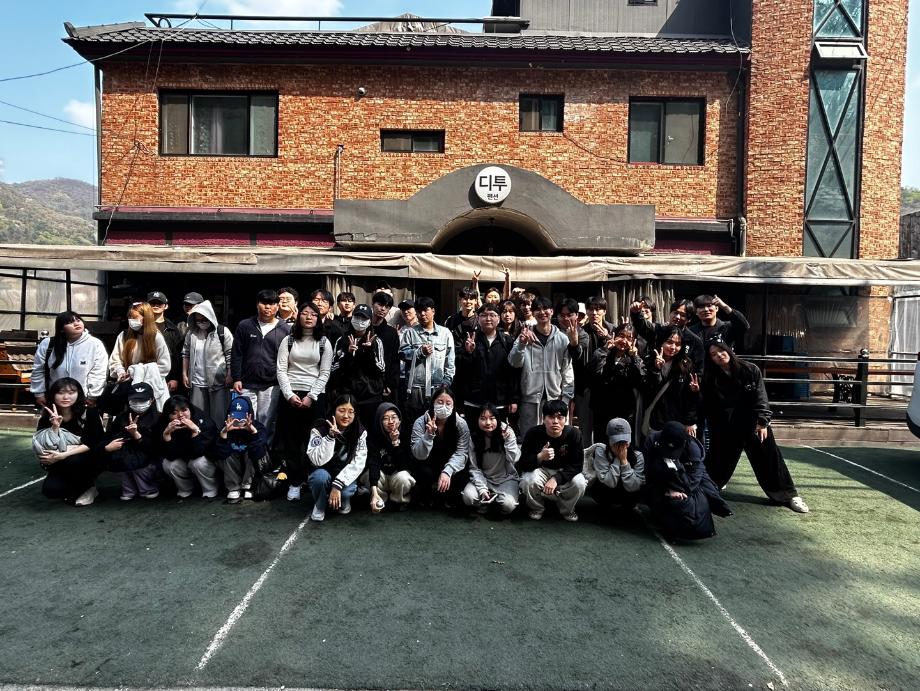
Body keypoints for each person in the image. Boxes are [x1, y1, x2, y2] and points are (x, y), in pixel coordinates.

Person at [701, 337, 810, 513]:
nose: (719, 355)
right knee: (717, 461)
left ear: (729, 350)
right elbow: (708, 404)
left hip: (753, 423)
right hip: (726, 425)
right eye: (714, 354)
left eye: (721, 350)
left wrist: (763, 421)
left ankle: (788, 496)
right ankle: (705, 491)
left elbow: (761, 396)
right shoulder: (710, 376)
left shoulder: (750, 369)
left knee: (769, 459)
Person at [276, 302, 333, 500]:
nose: (309, 317)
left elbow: (325, 373)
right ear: (298, 316)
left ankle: (313, 478)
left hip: (315, 396)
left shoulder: (324, 342)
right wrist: (289, 395)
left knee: (314, 439)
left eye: (313, 314)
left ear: (318, 319)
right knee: (292, 440)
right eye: (305, 313)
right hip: (290, 393)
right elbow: (281, 369)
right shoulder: (288, 340)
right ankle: (295, 482)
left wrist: (311, 396)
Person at [643, 421, 732, 540]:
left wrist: (675, 486)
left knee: (695, 509)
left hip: (688, 483)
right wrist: (666, 490)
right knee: (650, 488)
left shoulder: (694, 450)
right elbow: (648, 474)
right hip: (663, 481)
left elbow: (690, 484)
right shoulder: (652, 441)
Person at [31, 377, 105, 506]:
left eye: (71, 392)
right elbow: (42, 442)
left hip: (87, 456)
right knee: (51, 490)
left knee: (74, 460)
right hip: (61, 458)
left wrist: (64, 454)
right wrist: (55, 427)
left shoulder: (89, 412)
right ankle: (74, 485)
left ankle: (89, 488)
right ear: (53, 395)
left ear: (78, 394)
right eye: (60, 393)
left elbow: (94, 442)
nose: (66, 397)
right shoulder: (47, 415)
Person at [230, 289, 290, 443]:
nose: (267, 307)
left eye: (272, 304)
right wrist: (236, 378)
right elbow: (237, 353)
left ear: (277, 306)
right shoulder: (245, 325)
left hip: (272, 383)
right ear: (257, 304)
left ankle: (263, 450)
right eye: (264, 303)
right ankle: (245, 449)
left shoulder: (286, 329)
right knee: (244, 418)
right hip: (246, 382)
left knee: (267, 420)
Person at [508, 296, 574, 433]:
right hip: (530, 398)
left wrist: (566, 398)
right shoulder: (525, 335)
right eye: (537, 309)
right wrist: (522, 344)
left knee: (555, 437)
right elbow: (514, 362)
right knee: (530, 437)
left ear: (552, 311)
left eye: (545, 308)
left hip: (555, 398)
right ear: (533, 313)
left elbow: (567, 370)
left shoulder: (562, 338)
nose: (542, 312)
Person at [517, 399, 586, 521]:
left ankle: (567, 509)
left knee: (579, 482)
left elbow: (577, 466)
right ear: (543, 419)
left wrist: (556, 479)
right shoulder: (533, 433)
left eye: (560, 417)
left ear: (565, 419)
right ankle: (536, 508)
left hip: (564, 470)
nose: (555, 421)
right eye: (551, 417)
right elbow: (522, 464)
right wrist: (539, 457)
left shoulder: (574, 434)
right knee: (527, 480)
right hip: (541, 470)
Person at [305, 393, 368, 522]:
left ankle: (344, 498)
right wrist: (330, 437)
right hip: (323, 471)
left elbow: (359, 462)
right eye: (342, 410)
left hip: (344, 474)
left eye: (351, 412)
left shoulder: (360, 431)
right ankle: (320, 505)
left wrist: (338, 484)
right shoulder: (319, 428)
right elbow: (316, 460)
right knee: (319, 478)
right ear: (334, 410)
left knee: (346, 491)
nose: (346, 416)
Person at [407, 385, 471, 508]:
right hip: (428, 462)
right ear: (433, 403)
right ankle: (425, 496)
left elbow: (462, 452)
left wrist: (448, 471)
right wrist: (428, 435)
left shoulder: (461, 424)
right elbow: (418, 454)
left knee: (462, 473)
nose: (444, 406)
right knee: (423, 472)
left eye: (448, 403)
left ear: (453, 406)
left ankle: (450, 497)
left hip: (450, 462)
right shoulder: (420, 422)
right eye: (440, 402)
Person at [31, 310, 108, 409]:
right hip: (55, 397)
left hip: (83, 399)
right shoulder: (48, 344)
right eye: (70, 322)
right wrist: (39, 393)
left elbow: (99, 372)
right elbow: (38, 370)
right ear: (61, 329)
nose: (76, 324)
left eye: (78, 320)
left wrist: (93, 395)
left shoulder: (95, 344)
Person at [456, 304, 519, 421]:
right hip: (474, 400)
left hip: (500, 400)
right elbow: (461, 372)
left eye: (492, 315)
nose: (488, 319)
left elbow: (512, 372)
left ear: (498, 318)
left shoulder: (507, 341)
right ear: (478, 318)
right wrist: (468, 353)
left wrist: (513, 399)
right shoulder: (470, 339)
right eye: (484, 315)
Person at [328, 303, 387, 430]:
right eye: (357, 317)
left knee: (368, 431)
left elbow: (380, 370)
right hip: (347, 395)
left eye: (363, 318)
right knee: (347, 431)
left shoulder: (376, 341)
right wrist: (348, 354)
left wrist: (368, 352)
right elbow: (334, 369)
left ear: (369, 321)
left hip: (370, 396)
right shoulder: (342, 340)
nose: (359, 321)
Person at [102, 382, 162, 501]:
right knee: (122, 459)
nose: (138, 404)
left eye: (142, 400)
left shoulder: (159, 418)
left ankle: (148, 488)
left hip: (150, 458)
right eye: (135, 400)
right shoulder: (121, 418)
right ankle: (129, 489)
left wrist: (137, 435)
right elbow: (109, 437)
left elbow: (157, 448)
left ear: (151, 400)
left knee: (140, 464)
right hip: (127, 454)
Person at [400, 296, 455, 424]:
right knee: (414, 424)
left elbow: (450, 362)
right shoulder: (410, 333)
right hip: (415, 389)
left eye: (426, 310)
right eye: (419, 311)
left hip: (438, 387)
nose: (422, 314)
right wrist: (420, 352)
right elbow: (402, 354)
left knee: (438, 423)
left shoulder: (445, 333)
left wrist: (446, 382)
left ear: (433, 311)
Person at [589, 322, 645, 444]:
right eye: (621, 335)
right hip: (602, 407)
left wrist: (635, 358)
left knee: (621, 443)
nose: (624, 341)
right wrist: (605, 350)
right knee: (601, 442)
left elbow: (641, 379)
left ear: (634, 341)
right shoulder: (603, 352)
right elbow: (595, 373)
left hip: (623, 409)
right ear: (614, 335)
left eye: (629, 338)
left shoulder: (634, 359)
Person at [642, 326, 700, 442]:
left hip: (677, 422)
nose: (673, 347)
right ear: (661, 341)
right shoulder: (648, 361)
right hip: (653, 420)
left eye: (678, 344)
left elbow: (690, 398)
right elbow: (646, 390)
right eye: (669, 342)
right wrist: (656, 370)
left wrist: (689, 421)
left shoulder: (686, 365)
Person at [108, 302, 171, 409]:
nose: (131, 320)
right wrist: (120, 372)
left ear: (146, 318)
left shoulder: (156, 337)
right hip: (129, 384)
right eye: (130, 317)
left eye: (134, 317)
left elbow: (164, 365)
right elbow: (115, 359)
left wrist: (140, 372)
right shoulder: (124, 336)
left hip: (152, 385)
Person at [182, 299, 233, 428]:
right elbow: (186, 354)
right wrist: (184, 374)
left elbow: (230, 354)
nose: (201, 323)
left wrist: (229, 374)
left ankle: (219, 439)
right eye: (198, 320)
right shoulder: (191, 334)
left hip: (218, 382)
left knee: (218, 418)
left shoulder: (222, 332)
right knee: (198, 418)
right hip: (197, 382)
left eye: (204, 320)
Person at [462, 403, 521, 515]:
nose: (488, 422)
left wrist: (507, 441)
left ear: (497, 419)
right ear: (477, 420)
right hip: (483, 477)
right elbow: (474, 467)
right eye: (483, 418)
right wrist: (482, 488)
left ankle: (497, 504)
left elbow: (513, 459)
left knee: (508, 505)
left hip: (506, 479)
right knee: (468, 497)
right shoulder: (474, 436)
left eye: (492, 418)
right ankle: (485, 501)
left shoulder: (506, 431)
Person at [157, 395, 219, 499]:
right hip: (183, 460)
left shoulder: (204, 421)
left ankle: (210, 488)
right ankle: (185, 488)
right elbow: (170, 456)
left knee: (198, 463)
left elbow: (198, 453)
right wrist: (166, 435)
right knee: (169, 464)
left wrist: (194, 431)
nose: (180, 415)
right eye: (174, 413)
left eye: (184, 410)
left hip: (205, 460)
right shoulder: (163, 424)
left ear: (190, 409)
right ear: (168, 416)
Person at [213, 395, 269, 503]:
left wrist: (253, 433)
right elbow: (218, 456)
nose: (238, 420)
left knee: (252, 451)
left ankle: (249, 487)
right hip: (233, 468)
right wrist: (224, 435)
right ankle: (234, 487)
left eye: (242, 417)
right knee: (227, 452)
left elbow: (259, 454)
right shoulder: (225, 427)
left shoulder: (259, 427)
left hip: (252, 469)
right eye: (235, 417)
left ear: (250, 415)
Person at [582, 418, 645, 512]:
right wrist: (617, 459)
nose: (620, 446)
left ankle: (628, 508)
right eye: (616, 442)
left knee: (638, 487)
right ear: (608, 440)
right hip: (606, 493)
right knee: (599, 487)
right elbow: (610, 482)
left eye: (624, 441)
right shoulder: (601, 450)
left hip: (628, 495)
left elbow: (633, 486)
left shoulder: (638, 455)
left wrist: (624, 461)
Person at [365, 402, 416, 512]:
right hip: (381, 475)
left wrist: (395, 443)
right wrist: (374, 491)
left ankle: (398, 501)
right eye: (385, 418)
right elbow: (373, 462)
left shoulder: (405, 434)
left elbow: (404, 466)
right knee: (368, 474)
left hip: (396, 476)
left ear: (399, 420)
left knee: (404, 478)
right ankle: (378, 499)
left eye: (394, 417)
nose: (390, 421)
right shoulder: (373, 436)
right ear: (379, 421)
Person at [631, 298, 704, 369]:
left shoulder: (694, 341)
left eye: (682, 315)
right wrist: (636, 313)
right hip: (653, 373)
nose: (677, 317)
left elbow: (698, 368)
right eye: (675, 313)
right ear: (670, 313)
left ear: (689, 319)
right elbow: (643, 327)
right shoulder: (659, 330)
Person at [147, 291, 184, 393]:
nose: (155, 305)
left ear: (166, 306)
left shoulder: (173, 329)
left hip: (166, 378)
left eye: (159, 303)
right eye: (152, 303)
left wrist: (175, 377)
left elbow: (177, 356)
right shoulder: (140, 327)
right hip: (144, 374)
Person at [370, 291, 401, 402]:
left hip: (384, 384)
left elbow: (394, 361)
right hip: (363, 383)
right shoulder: (363, 329)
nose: (383, 309)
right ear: (372, 304)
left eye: (387, 307)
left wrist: (390, 384)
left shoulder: (392, 333)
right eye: (380, 304)